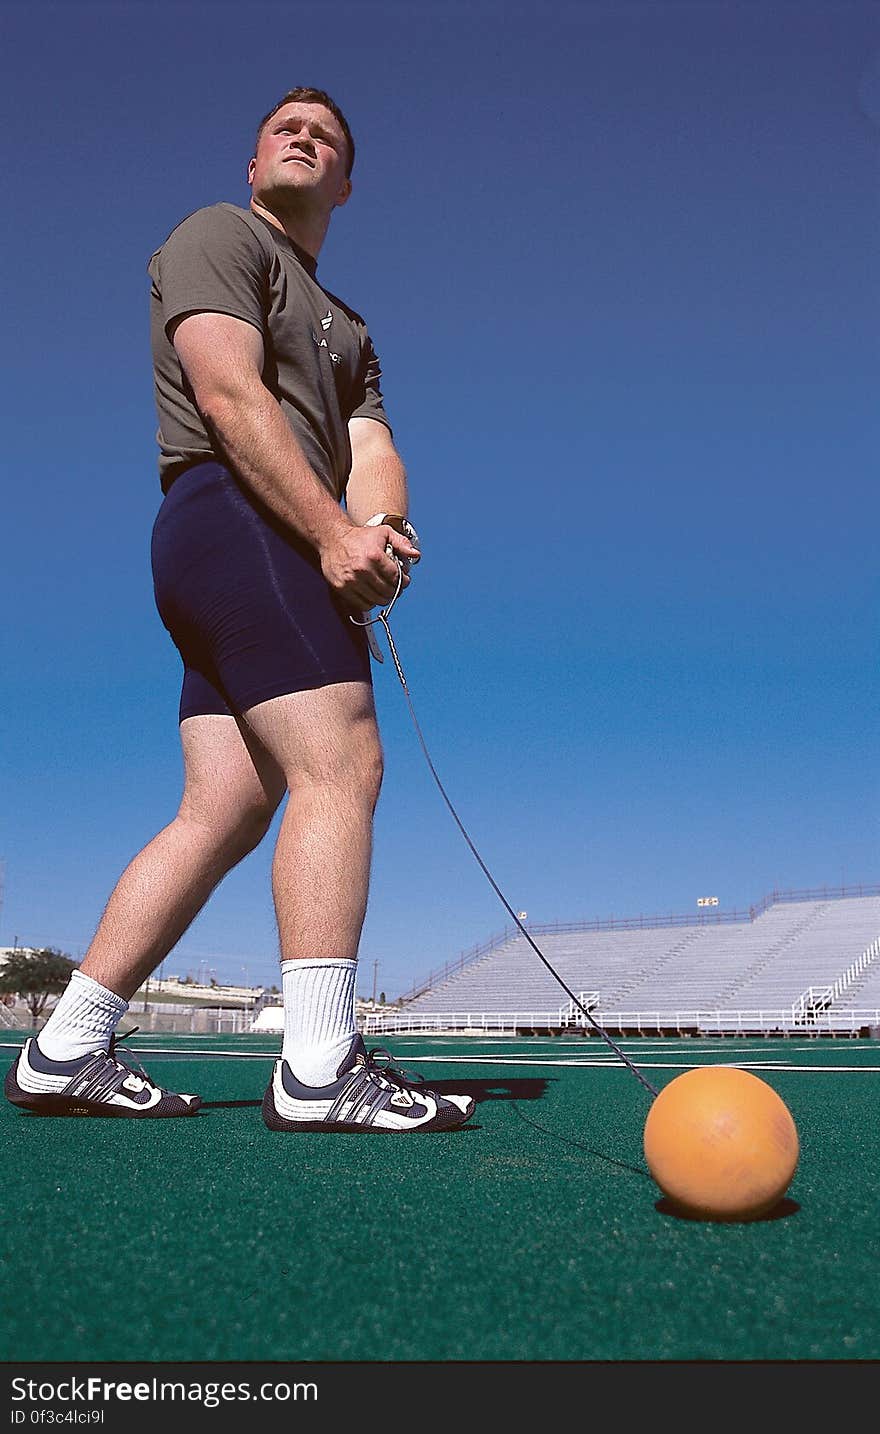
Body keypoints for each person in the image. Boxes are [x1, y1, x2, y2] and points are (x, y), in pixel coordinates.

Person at [5, 87, 474, 1133]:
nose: (305, 140)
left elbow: (370, 446)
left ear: (346, 184)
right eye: (287, 130)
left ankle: (66, 1041)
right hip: (241, 516)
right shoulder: (221, 235)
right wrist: (326, 534)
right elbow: (227, 392)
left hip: (266, 537)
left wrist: (382, 525)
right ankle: (317, 1066)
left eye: (329, 140)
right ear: (255, 159)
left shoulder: (348, 325)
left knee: (226, 806)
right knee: (340, 763)